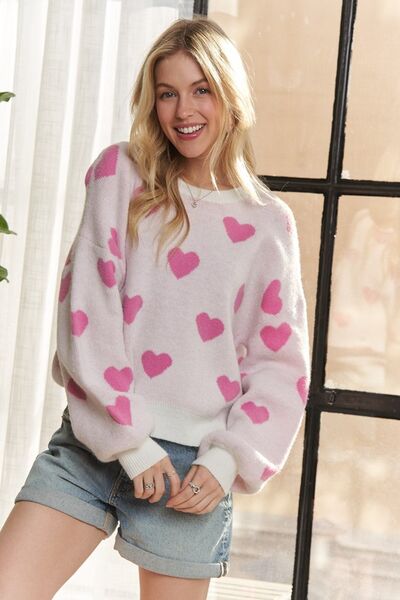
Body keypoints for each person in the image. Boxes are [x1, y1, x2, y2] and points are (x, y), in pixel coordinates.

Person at [0, 16, 310, 600]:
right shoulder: (119, 176)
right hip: (94, 445)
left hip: (195, 473)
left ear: (229, 96)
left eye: (201, 90)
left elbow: (279, 367)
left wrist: (227, 462)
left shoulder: (268, 225)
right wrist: (129, 443)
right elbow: (86, 315)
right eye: (167, 93)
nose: (183, 110)